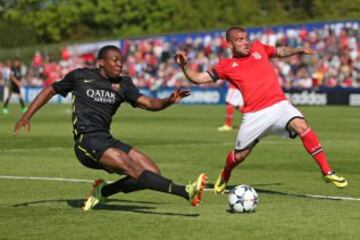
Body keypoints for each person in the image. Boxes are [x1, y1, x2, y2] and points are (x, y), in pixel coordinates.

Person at [14, 45, 207, 211]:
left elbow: (148, 103)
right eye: (114, 60)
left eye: (121, 61)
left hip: (106, 139)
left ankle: (104, 191)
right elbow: (50, 89)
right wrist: (26, 115)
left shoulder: (124, 84)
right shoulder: (80, 76)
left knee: (152, 172)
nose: (119, 64)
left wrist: (168, 101)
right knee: (132, 167)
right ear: (101, 62)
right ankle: (186, 191)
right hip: (86, 141)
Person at [175, 27, 347, 193]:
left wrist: (298, 50)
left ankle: (327, 172)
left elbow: (280, 51)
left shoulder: (258, 47)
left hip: (280, 106)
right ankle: (226, 172)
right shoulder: (225, 66)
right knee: (240, 156)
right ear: (230, 45)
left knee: (301, 125)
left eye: (246, 38)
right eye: (240, 40)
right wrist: (184, 66)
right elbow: (197, 78)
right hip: (255, 116)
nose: (246, 43)